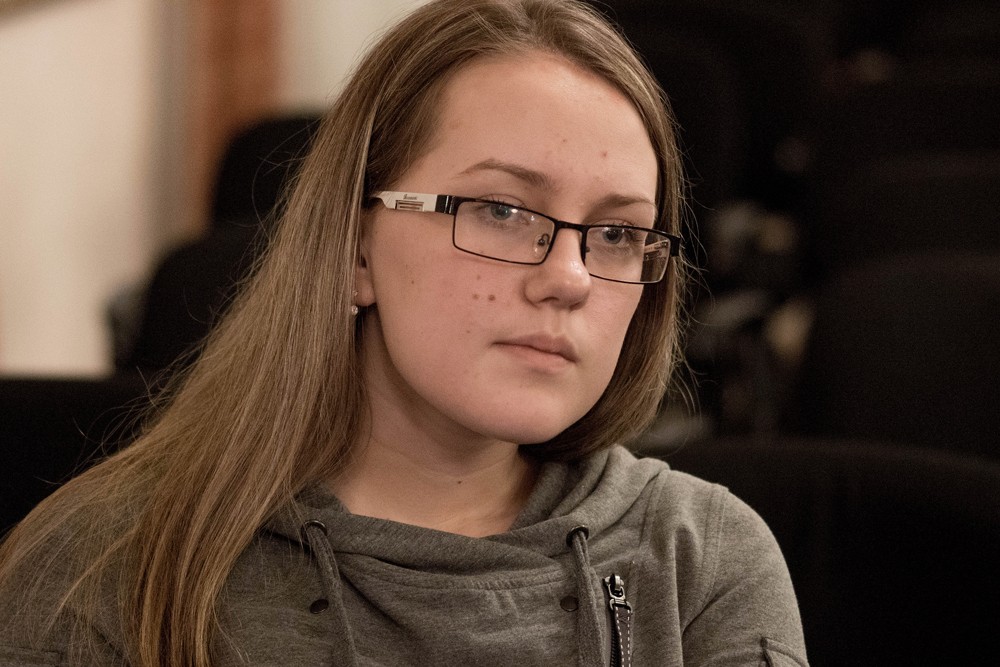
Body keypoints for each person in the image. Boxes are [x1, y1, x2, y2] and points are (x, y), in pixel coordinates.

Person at [0, 0, 808, 665]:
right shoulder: (103, 568)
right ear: (356, 249)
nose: (570, 277)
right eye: (501, 210)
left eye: (619, 233)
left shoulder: (702, 564)